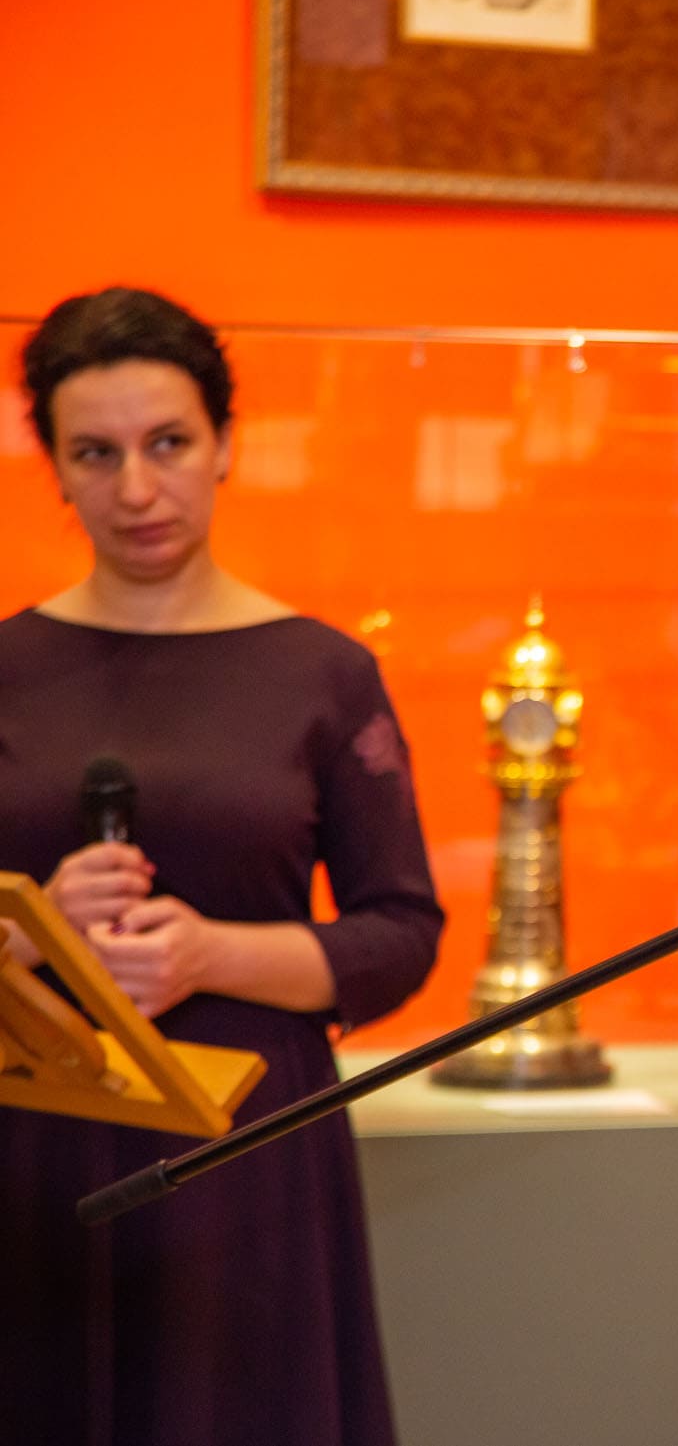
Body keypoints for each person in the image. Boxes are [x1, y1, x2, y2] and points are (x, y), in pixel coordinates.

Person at [0, 287, 444, 1446]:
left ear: (227, 443)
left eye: (168, 443)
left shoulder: (323, 672)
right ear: (55, 467)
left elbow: (401, 932)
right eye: (96, 453)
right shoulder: (5, 666)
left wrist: (211, 953)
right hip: (32, 1147)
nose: (136, 489)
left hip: (247, 1146)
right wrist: (34, 931)